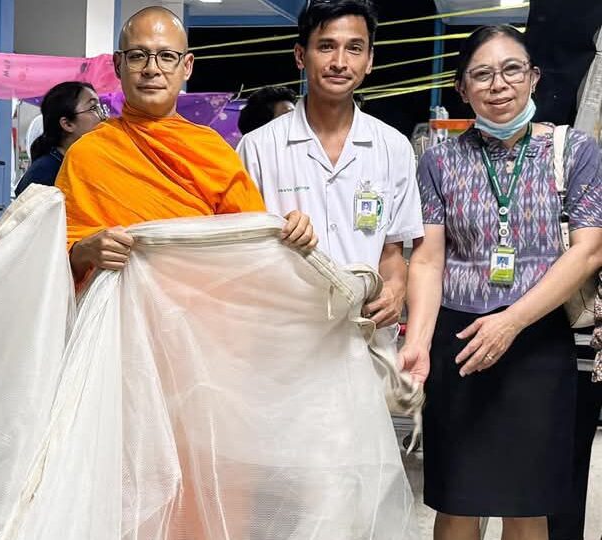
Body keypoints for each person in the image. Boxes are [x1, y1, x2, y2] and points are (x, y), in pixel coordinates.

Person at [400, 25, 602, 539]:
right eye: (482, 74)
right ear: (462, 88)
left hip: (538, 342)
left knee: (527, 506)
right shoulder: (440, 160)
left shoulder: (574, 151)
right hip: (459, 343)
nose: (499, 84)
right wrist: (418, 343)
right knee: (457, 502)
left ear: (533, 77)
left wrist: (510, 322)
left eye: (512, 69)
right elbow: (428, 260)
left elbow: (588, 251)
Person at [57, 6, 315, 284]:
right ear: (119, 65)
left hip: (202, 306)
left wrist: (288, 232)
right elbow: (50, 263)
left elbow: (252, 248)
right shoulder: (88, 154)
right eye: (138, 56)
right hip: (116, 310)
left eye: (167, 56)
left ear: (187, 66)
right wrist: (82, 252)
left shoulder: (212, 151)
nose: (151, 69)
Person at [239, 0, 423, 362]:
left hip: (364, 343)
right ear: (300, 55)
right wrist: (277, 238)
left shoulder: (393, 147)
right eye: (326, 46)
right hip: (283, 348)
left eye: (354, 48)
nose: (340, 62)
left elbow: (391, 254)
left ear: (369, 60)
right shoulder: (258, 148)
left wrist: (395, 288)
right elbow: (243, 256)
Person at [14, 81, 106, 197]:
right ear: (67, 124)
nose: (103, 117)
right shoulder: (43, 176)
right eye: (93, 108)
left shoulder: (82, 165)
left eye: (101, 108)